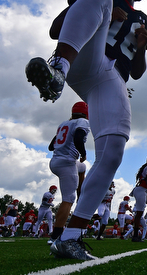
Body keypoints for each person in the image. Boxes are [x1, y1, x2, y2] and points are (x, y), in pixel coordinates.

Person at [25, 0, 147, 260]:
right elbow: (55, 29)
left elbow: (137, 72)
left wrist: (140, 46)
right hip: (85, 58)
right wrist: (108, 18)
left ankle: (70, 238)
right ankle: (57, 69)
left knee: (112, 153)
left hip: (113, 78)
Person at [48, 101, 90, 243]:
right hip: (66, 162)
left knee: (82, 168)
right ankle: (55, 235)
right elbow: (78, 137)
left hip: (55, 161)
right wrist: (83, 153)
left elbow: (51, 146)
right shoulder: (83, 121)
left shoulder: (64, 124)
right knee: (68, 199)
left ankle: (81, 196)